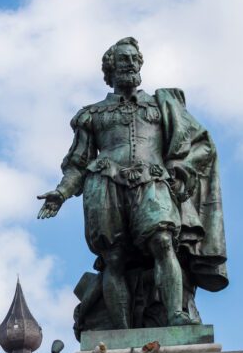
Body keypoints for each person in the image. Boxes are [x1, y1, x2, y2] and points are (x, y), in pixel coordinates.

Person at [37, 37, 227, 332]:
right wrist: (61, 193)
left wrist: (181, 172)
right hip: (104, 184)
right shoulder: (92, 114)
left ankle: (176, 314)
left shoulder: (164, 106)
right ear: (110, 69)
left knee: (164, 242)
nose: (130, 64)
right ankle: (121, 330)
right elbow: (77, 163)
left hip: (152, 181)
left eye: (134, 59)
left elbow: (202, 145)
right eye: (123, 59)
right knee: (113, 258)